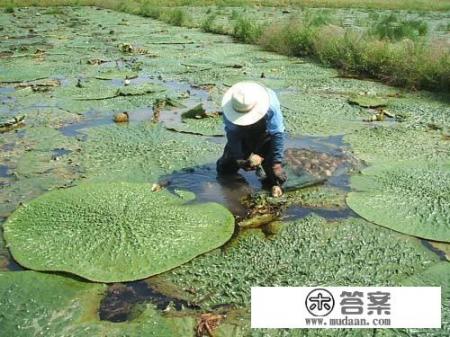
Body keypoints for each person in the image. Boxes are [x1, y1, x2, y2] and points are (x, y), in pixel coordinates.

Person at [216, 81, 287, 197]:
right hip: (241, 132)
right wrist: (239, 158)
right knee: (224, 168)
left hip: (265, 132)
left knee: (275, 176)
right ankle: (235, 189)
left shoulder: (270, 105)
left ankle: (274, 183)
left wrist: (276, 162)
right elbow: (233, 135)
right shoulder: (230, 108)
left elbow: (277, 134)